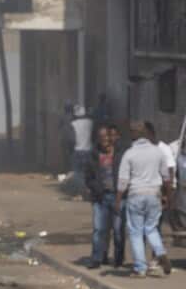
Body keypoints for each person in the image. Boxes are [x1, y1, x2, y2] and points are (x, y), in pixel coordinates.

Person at [116, 121, 172, 278]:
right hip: (154, 194)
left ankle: (140, 268)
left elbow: (122, 181)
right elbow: (166, 177)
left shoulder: (129, 154)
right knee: (151, 228)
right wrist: (168, 195)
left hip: (136, 194)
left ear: (134, 135)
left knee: (135, 232)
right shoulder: (157, 152)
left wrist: (118, 200)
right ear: (147, 134)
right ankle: (160, 252)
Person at [83, 123, 125, 269]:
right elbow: (88, 177)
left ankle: (119, 259)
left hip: (117, 197)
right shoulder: (93, 155)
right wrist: (95, 188)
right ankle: (96, 258)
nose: (104, 139)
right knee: (99, 229)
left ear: (111, 136)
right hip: (100, 198)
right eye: (101, 137)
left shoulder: (120, 154)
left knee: (118, 230)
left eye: (106, 136)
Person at [66, 105, 95, 196]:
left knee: (77, 173)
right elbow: (94, 136)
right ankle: (87, 191)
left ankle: (79, 193)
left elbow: (71, 139)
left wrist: (70, 150)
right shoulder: (91, 122)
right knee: (88, 173)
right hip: (89, 151)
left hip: (77, 151)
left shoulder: (73, 124)